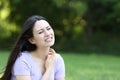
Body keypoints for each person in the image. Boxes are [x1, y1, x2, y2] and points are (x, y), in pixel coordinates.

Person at [0, 15, 65, 80]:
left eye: (48, 28)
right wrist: (49, 69)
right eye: (40, 32)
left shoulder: (57, 59)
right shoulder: (23, 60)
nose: (48, 33)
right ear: (32, 40)